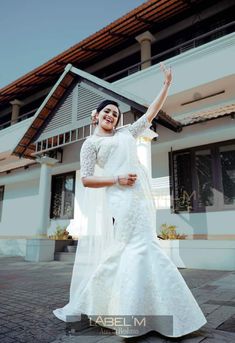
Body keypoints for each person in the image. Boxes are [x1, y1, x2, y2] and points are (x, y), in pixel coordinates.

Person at [53, 63, 207, 338]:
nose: (111, 116)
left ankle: (131, 308)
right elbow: (87, 179)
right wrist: (117, 179)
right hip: (120, 199)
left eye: (115, 113)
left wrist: (166, 86)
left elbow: (149, 114)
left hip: (140, 198)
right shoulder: (91, 145)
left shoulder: (126, 133)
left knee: (139, 247)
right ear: (95, 116)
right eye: (107, 112)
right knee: (137, 247)